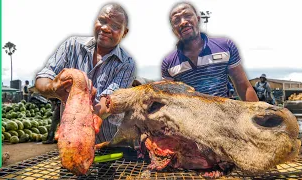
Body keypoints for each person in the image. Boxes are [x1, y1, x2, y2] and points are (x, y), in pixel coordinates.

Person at [35, 3, 136, 144]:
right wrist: (52, 86)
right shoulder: (71, 46)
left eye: (115, 26)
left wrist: (81, 121)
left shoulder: (126, 64)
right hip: (70, 141)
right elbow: (44, 77)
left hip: (106, 142)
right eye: (102, 20)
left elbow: (107, 102)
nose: (106, 28)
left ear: (124, 33)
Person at [161, 2, 258, 102]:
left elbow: (244, 87)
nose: (183, 22)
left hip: (225, 115)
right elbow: (168, 99)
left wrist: (257, 114)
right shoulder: (168, 63)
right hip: (188, 117)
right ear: (173, 30)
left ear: (198, 19)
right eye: (177, 20)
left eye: (188, 15)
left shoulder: (225, 46)